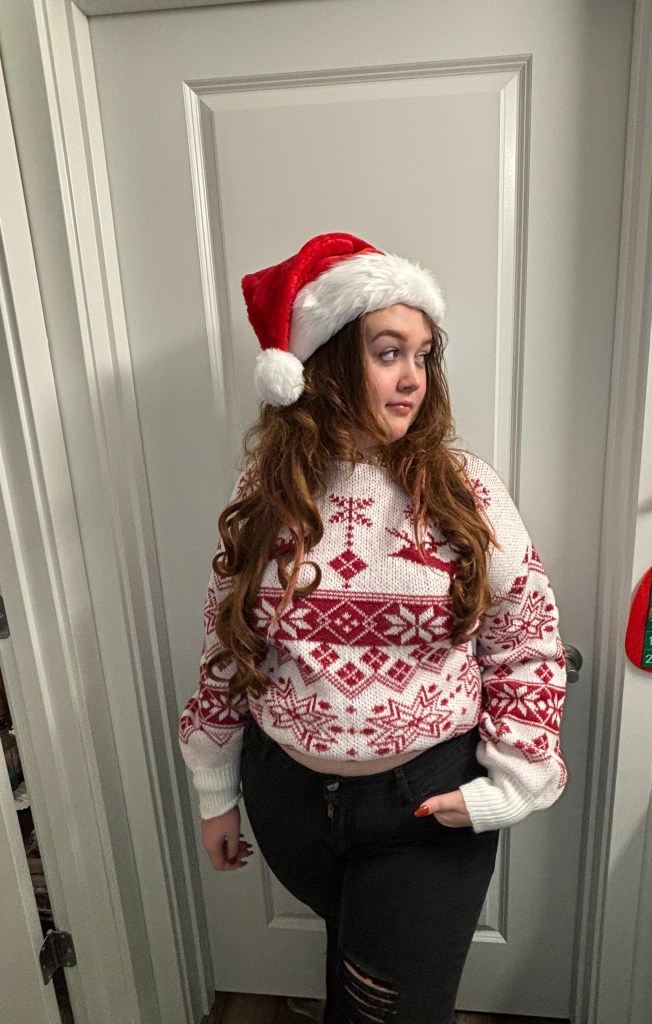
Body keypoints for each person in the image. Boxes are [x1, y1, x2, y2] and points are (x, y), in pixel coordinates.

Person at [178, 232, 568, 1024]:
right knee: (356, 973)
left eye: (422, 356)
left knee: (392, 1009)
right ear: (322, 366)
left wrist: (511, 785)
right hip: (288, 800)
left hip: (424, 804)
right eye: (389, 353)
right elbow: (228, 643)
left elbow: (527, 640)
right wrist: (216, 788)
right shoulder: (265, 489)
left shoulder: (465, 490)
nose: (413, 377)